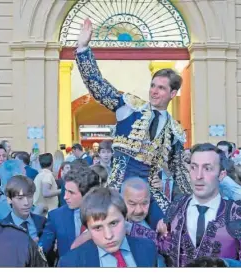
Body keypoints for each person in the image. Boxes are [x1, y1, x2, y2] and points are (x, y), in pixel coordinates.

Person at [75, 18, 191, 227]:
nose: (154, 91)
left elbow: (180, 177)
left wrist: (181, 201)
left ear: (173, 93)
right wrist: (83, 50)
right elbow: (99, 87)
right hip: (118, 189)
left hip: (150, 193)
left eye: (161, 88)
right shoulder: (130, 107)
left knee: (170, 228)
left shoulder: (175, 131)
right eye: (153, 85)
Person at [129, 143, 241, 267]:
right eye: (193, 167)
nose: (198, 176)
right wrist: (128, 227)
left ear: (221, 175)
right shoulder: (176, 208)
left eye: (207, 168)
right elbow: (164, 245)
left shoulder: (240, 215)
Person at [59, 187, 158, 267]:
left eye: (113, 223)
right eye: (98, 228)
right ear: (87, 229)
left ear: (125, 218)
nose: (108, 235)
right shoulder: (70, 264)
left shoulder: (148, 248)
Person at [38, 167, 101, 260]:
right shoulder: (56, 216)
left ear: (88, 194)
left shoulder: (106, 214)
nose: (65, 197)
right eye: (65, 190)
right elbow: (42, 249)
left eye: (71, 192)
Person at [1, 175, 46, 242]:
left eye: (30, 197)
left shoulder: (43, 222)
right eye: (20, 198)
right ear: (9, 199)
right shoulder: (1, 228)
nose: (26, 203)